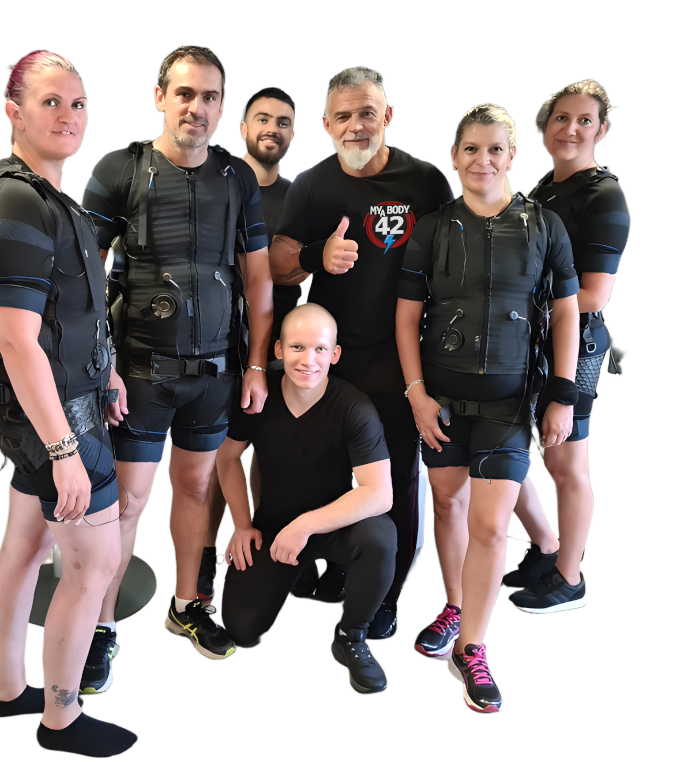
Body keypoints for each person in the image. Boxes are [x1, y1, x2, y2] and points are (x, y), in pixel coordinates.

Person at [81, 46, 273, 690]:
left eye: (210, 96)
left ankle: (188, 605)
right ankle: (99, 626)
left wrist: (255, 365)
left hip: (215, 373)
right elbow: (86, 281)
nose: (197, 107)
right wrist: (103, 367)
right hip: (140, 374)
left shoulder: (237, 179)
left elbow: (258, 282)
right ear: (161, 95)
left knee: (195, 489)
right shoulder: (120, 170)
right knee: (128, 501)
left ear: (221, 106)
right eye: (185, 93)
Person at [0, 51, 137, 756]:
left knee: (28, 544)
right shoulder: (17, 200)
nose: (69, 115)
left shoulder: (46, 196)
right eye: (50, 102)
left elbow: (70, 314)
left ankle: (9, 690)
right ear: (14, 112)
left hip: (54, 401)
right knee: (92, 565)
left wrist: (108, 372)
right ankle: (61, 721)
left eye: (78, 103)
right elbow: (15, 337)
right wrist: (65, 449)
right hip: (51, 415)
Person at [396, 104, 580, 713]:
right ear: (455, 156)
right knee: (447, 504)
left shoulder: (546, 226)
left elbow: (566, 312)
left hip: (509, 402)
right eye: (471, 149)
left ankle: (472, 645)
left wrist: (562, 392)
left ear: (511, 155)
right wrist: (417, 393)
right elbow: (407, 317)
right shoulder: (430, 229)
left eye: (496, 148)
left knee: (491, 525)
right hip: (441, 400)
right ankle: (455, 605)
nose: (483, 160)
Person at [270, 67, 453, 636]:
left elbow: (452, 262)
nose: (356, 126)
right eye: (343, 116)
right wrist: (317, 256)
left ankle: (385, 597)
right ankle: (335, 566)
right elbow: (277, 263)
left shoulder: (425, 182)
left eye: (367, 113)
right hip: (329, 364)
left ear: (387, 116)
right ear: (327, 124)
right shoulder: (312, 186)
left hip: (400, 363)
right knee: (326, 474)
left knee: (395, 482)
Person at [218, 304, 396, 694]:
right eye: (297, 347)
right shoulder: (259, 395)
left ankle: (351, 636)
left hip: (332, 527)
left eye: (320, 349)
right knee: (241, 628)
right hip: (273, 527)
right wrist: (243, 525)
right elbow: (227, 458)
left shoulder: (354, 407)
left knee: (380, 537)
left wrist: (305, 526)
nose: (308, 360)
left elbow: (380, 494)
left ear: (335, 354)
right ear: (279, 349)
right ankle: (297, 571)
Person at [504, 81, 630, 613]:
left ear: (601, 130)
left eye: (584, 120)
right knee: (504, 453)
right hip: (528, 338)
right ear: (545, 126)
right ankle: (546, 548)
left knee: (565, 465)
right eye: (561, 118)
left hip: (573, 343)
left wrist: (518, 303)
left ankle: (569, 578)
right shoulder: (544, 189)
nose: (570, 129)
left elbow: (594, 294)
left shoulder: (604, 196)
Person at [198, 86, 298, 600]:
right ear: (243, 126)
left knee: (269, 452)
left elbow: (295, 268)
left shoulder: (298, 197)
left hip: (277, 345)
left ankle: (263, 548)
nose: (272, 129)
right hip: (219, 340)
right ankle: (203, 558)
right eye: (263, 119)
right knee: (220, 452)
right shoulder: (220, 186)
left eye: (283, 121)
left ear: (293, 132)